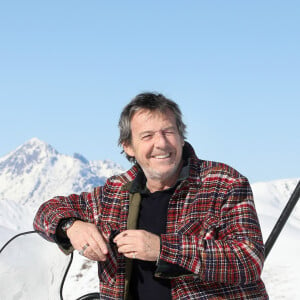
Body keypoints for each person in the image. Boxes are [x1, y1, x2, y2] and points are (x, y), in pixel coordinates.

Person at [34, 92, 269, 299]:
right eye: (147, 136)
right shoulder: (115, 192)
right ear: (128, 146)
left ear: (181, 135)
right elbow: (45, 213)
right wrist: (70, 226)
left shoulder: (223, 183)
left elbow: (248, 259)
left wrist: (161, 249)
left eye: (168, 131)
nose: (161, 143)